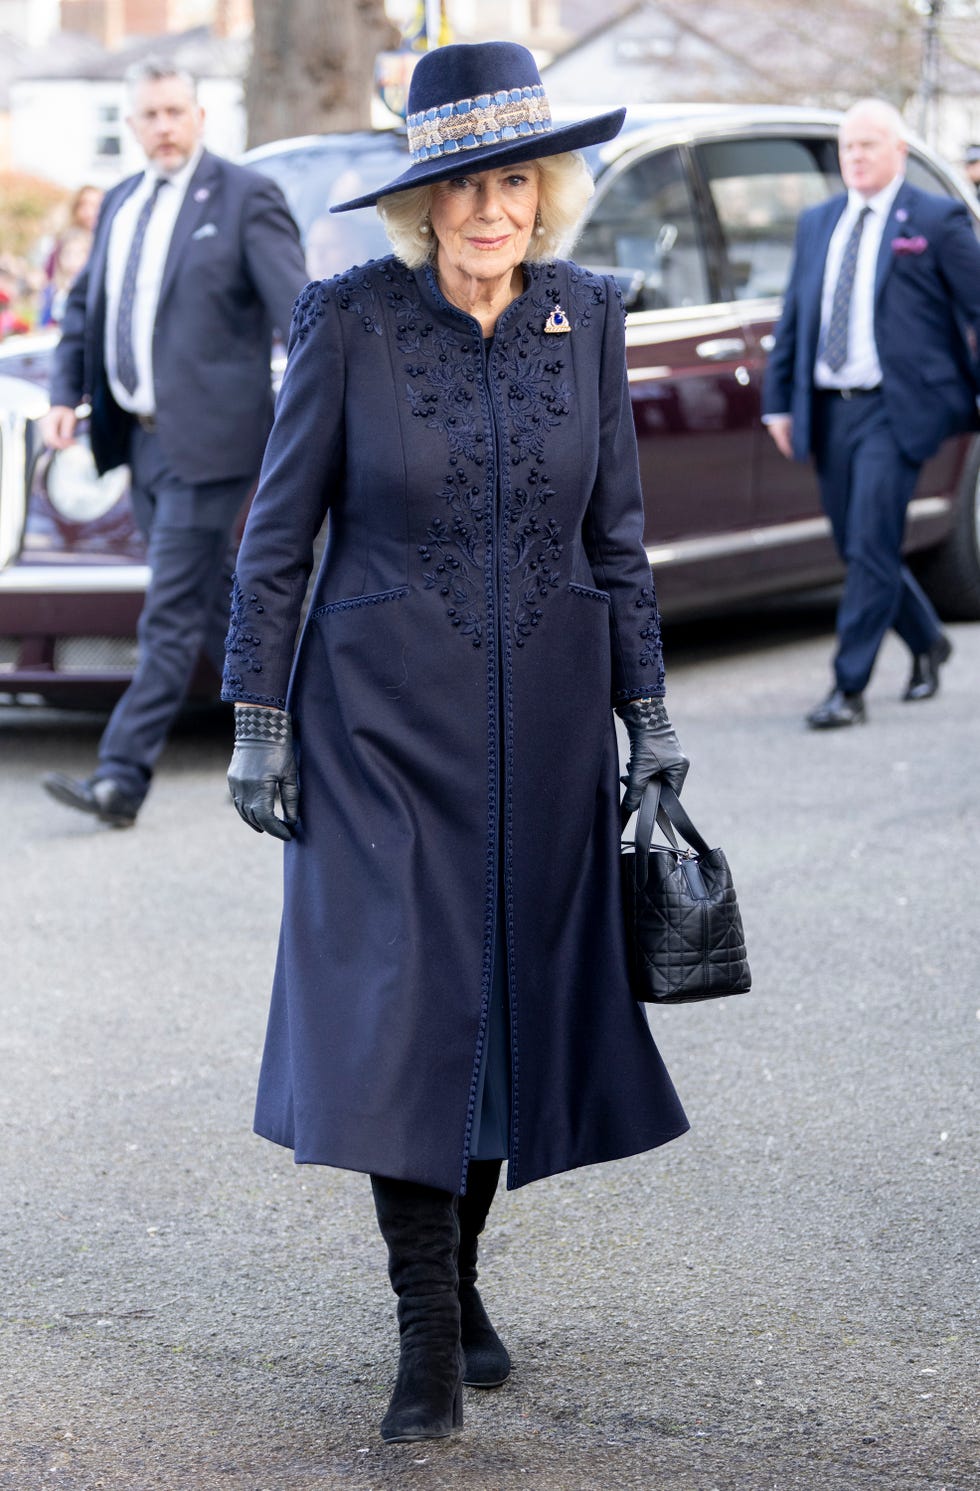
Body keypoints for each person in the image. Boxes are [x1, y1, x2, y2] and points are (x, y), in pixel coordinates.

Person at [222, 41, 691, 1445]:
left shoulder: (588, 315)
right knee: (405, 1012)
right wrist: (257, 715)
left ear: (545, 191)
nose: (494, 208)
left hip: (545, 731)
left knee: (500, 1010)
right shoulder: (348, 318)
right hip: (374, 725)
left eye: (517, 180)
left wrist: (648, 715)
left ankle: (465, 1277)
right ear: (423, 204)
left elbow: (617, 542)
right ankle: (425, 1335)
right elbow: (275, 535)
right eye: (466, 186)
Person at [40, 59, 308, 826]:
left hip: (214, 443)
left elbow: (297, 312)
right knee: (217, 605)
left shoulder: (242, 196)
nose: (162, 126)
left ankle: (120, 776)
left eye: (174, 111)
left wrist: (322, 412)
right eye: (149, 115)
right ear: (132, 124)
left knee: (169, 609)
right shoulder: (121, 201)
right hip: (142, 443)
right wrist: (67, 396)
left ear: (198, 116)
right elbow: (85, 311)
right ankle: (306, 731)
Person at [763, 98, 980, 729]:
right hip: (830, 408)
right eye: (847, 146)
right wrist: (779, 402)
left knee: (870, 542)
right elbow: (794, 320)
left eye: (868, 145)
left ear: (899, 152)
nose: (855, 156)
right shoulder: (818, 221)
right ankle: (928, 641)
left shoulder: (936, 219)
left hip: (898, 407)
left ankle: (847, 688)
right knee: (861, 546)